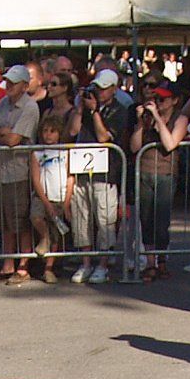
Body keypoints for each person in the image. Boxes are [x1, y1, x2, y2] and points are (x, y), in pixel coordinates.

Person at [128, 77, 190, 280]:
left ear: (174, 101)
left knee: (161, 220)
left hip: (165, 173)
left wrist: (158, 119)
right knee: (146, 218)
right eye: (156, 99)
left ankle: (162, 260)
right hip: (145, 171)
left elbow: (170, 144)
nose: (158, 103)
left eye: (163, 99)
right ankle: (150, 262)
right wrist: (141, 122)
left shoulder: (180, 119)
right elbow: (134, 147)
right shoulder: (146, 119)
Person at [69, 68, 127, 283]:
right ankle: (85, 263)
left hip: (105, 172)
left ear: (114, 89)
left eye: (103, 89)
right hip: (82, 170)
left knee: (105, 220)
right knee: (81, 217)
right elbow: (73, 131)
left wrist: (95, 112)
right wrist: (79, 108)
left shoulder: (119, 111)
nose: (99, 92)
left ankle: (103, 264)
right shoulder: (84, 107)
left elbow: (104, 137)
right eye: (97, 88)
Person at [0, 66, 42, 283]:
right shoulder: (2, 103)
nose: (8, 85)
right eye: (8, 81)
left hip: (19, 171)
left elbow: (14, 140)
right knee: (4, 221)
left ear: (25, 86)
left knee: (21, 221)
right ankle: (8, 263)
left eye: (14, 82)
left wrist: (2, 134)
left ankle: (23, 265)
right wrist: (3, 132)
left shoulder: (30, 107)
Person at [28, 111, 73, 283]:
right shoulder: (37, 153)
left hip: (60, 196)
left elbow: (70, 177)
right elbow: (35, 178)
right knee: (36, 216)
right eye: (45, 131)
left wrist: (66, 203)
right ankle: (44, 236)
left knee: (56, 235)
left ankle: (49, 269)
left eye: (52, 131)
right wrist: (46, 202)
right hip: (43, 196)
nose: (48, 135)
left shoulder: (65, 152)